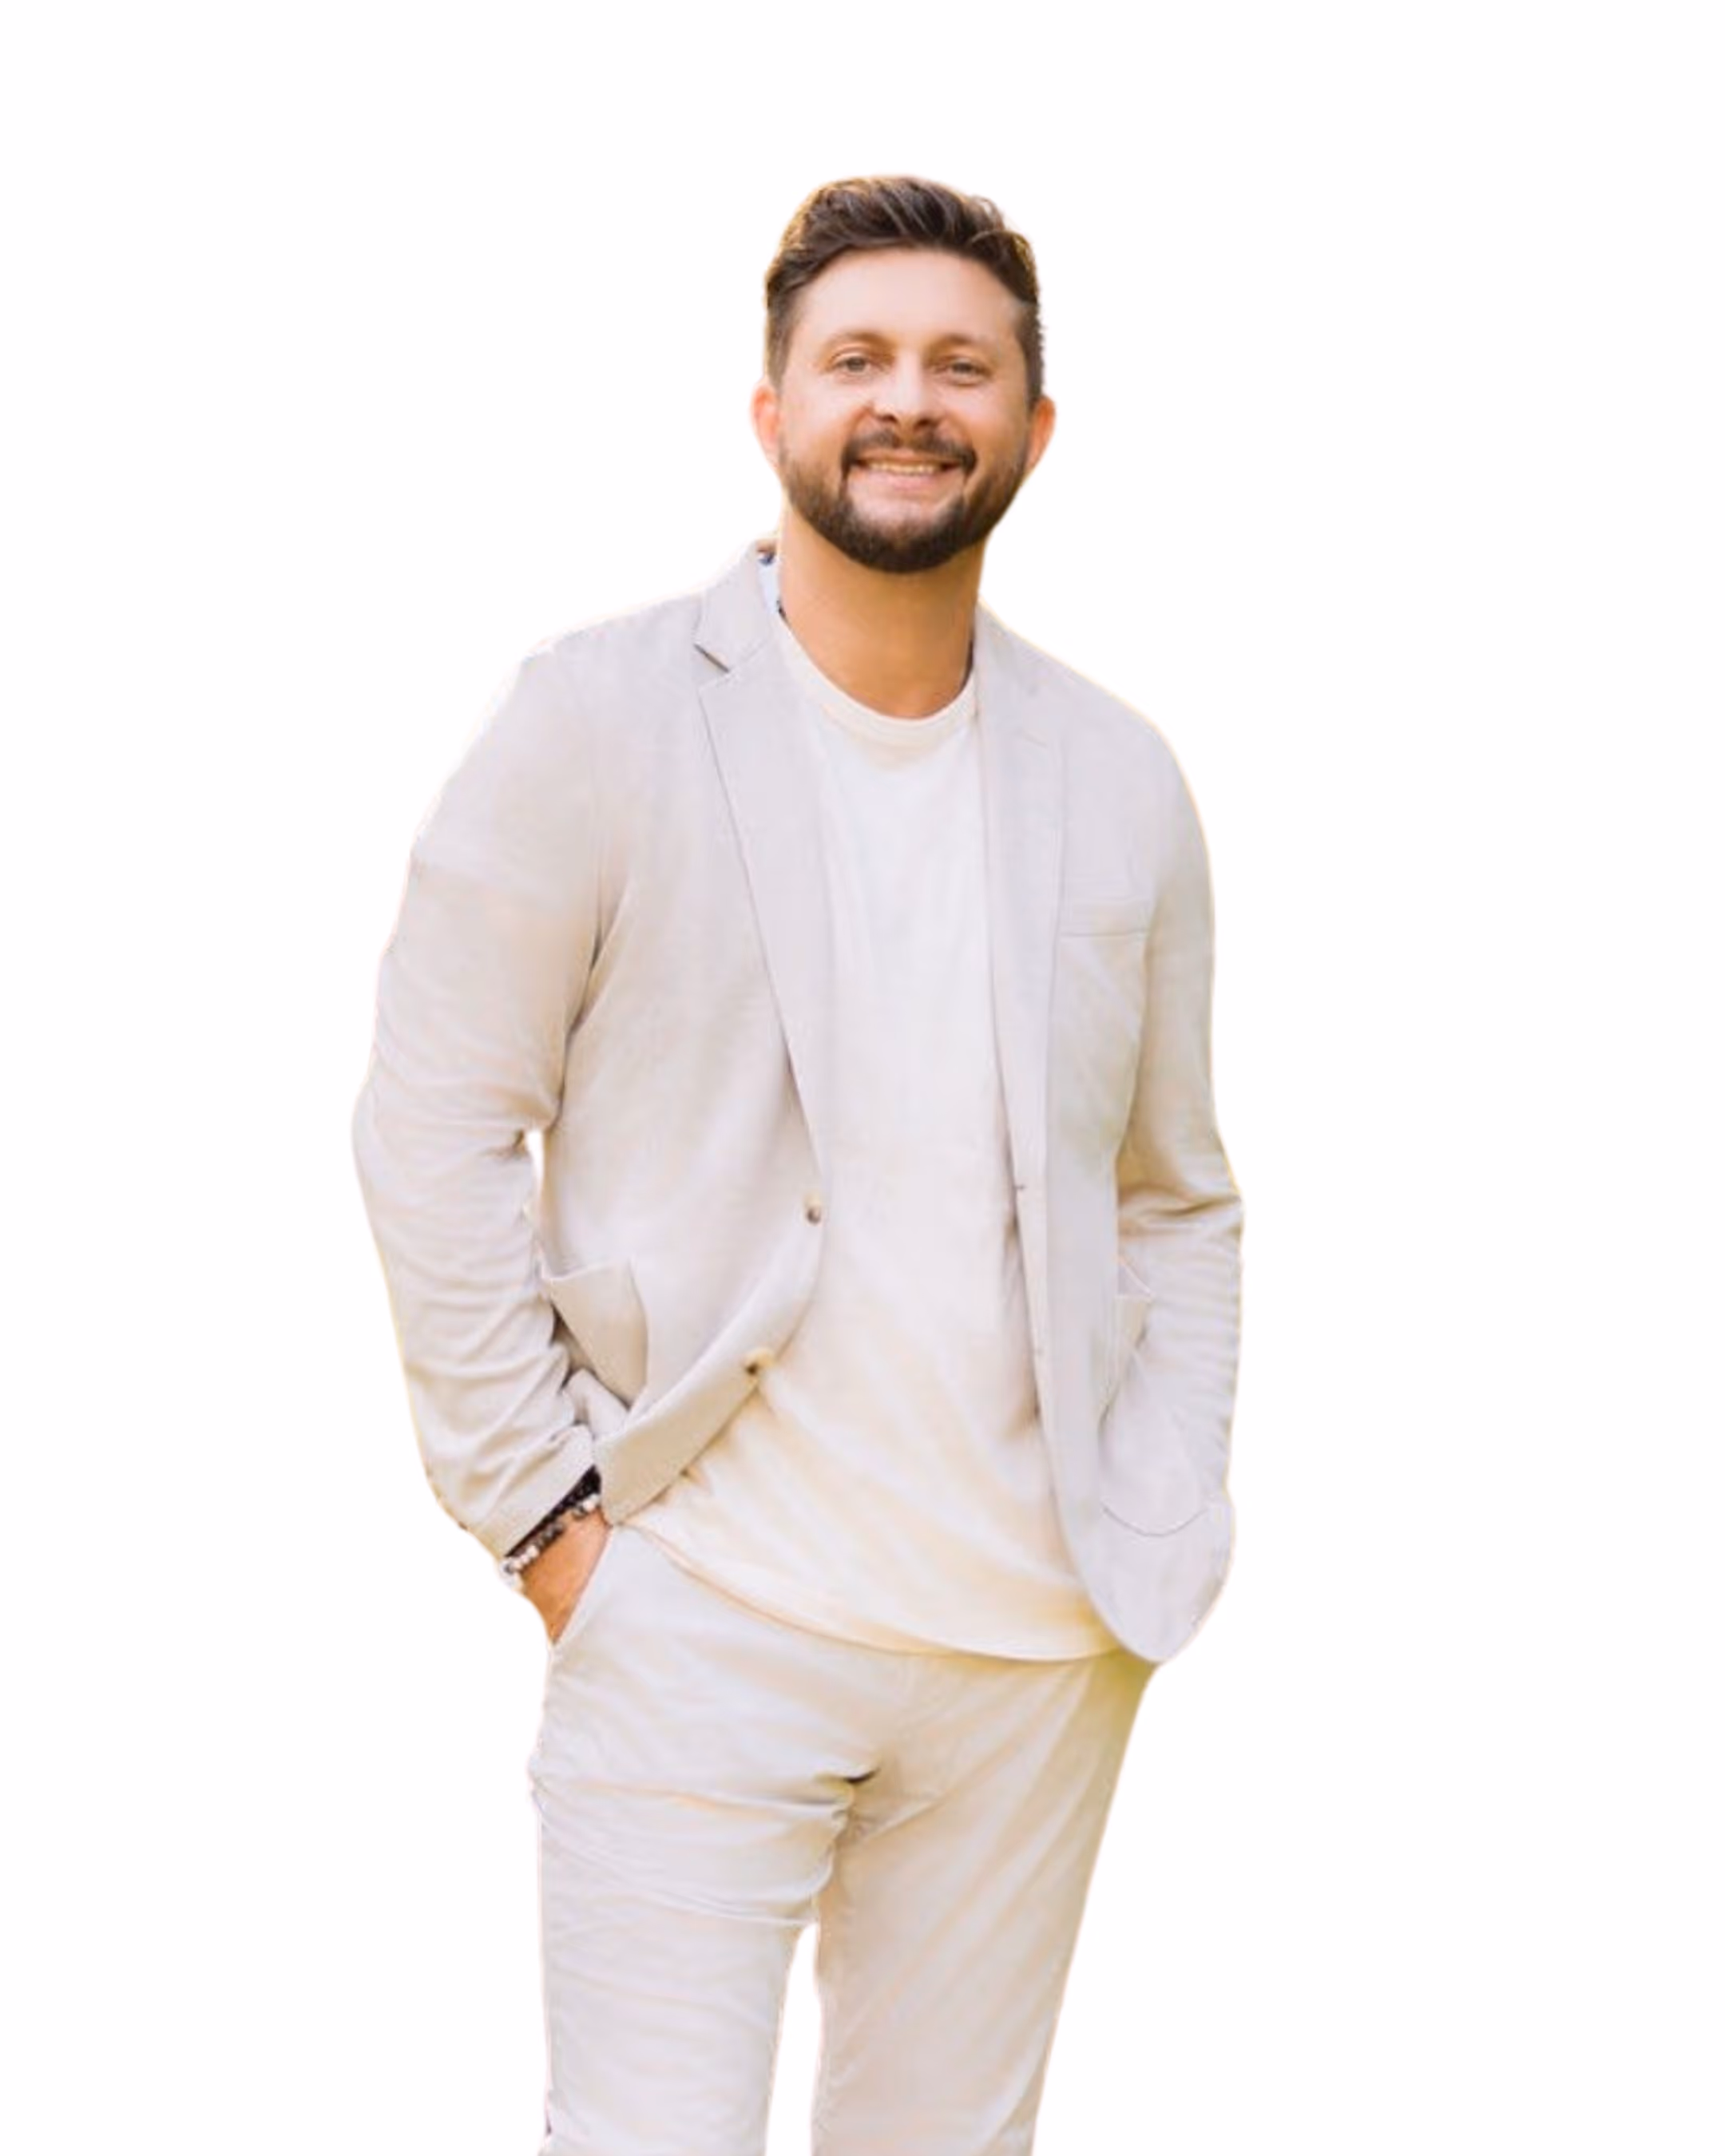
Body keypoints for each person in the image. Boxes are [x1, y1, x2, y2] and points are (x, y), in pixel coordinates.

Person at [354, 174, 1243, 2156]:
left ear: (1035, 426)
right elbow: (433, 1117)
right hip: (699, 1613)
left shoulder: (1121, 779)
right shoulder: (595, 720)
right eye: (860, 360)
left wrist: (1159, 1500)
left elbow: (1178, 1189)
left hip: (1031, 1655)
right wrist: (548, 1526)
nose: (908, 400)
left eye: (961, 366)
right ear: (774, 412)